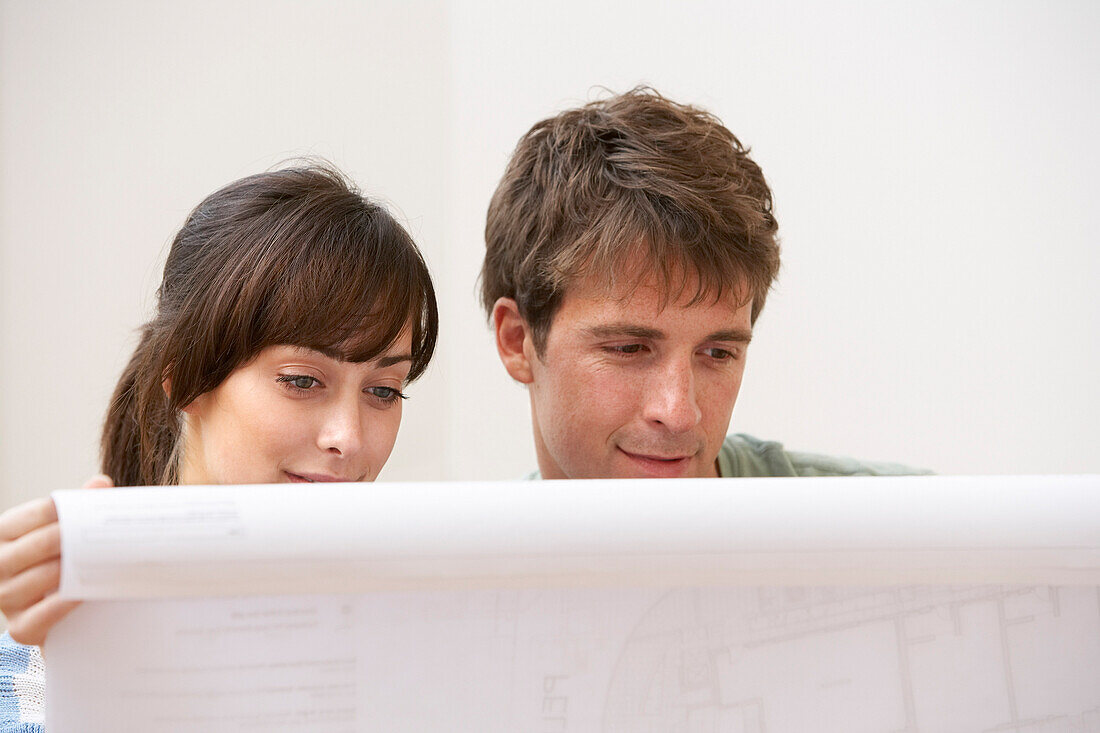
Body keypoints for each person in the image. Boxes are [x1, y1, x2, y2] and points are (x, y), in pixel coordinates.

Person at [0, 163, 438, 730]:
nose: (348, 439)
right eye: (302, 380)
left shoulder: (416, 660)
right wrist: (86, 683)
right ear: (185, 379)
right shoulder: (38, 670)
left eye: (383, 391)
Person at [482, 87, 924, 480]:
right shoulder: (467, 567)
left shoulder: (922, 536)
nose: (678, 413)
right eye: (628, 348)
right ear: (517, 340)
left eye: (717, 353)